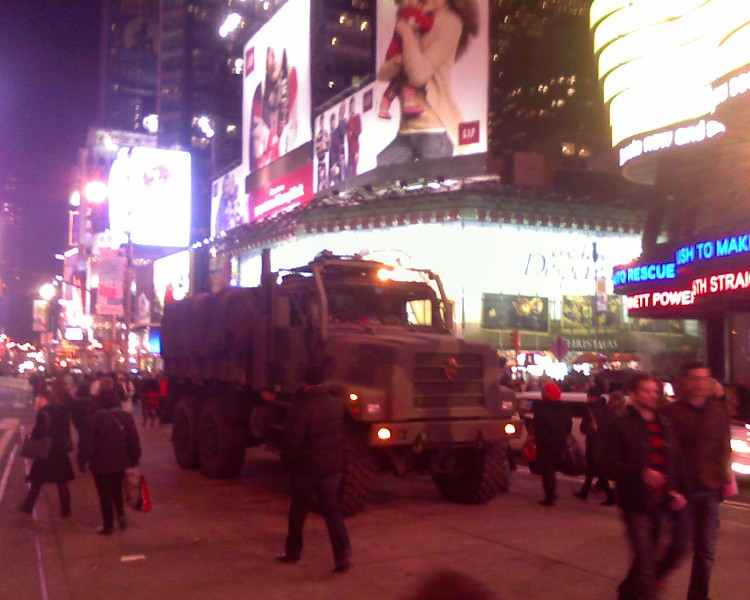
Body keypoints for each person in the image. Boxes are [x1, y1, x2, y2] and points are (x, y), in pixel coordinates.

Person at [601, 372, 686, 600]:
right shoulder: (620, 424)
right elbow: (608, 464)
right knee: (646, 563)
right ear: (632, 394)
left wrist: (676, 490)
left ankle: (627, 592)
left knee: (646, 559)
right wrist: (641, 474)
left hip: (661, 502)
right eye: (646, 391)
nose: (652, 395)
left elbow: (674, 461)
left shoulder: (664, 423)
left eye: (654, 391)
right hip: (635, 503)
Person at [660, 360, 731, 600]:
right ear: (686, 382)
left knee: (706, 550)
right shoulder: (672, 413)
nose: (701, 383)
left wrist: (722, 477)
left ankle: (698, 596)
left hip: (710, 490)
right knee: (679, 547)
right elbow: (667, 454)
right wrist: (671, 488)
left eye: (705, 379)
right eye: (696, 378)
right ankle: (653, 577)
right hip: (684, 492)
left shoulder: (718, 410)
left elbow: (724, 446)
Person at [376, 0, 479, 166]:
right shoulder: (414, 16)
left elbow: (418, 75)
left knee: (434, 187)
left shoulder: (450, 22)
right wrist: (398, 60)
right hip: (406, 131)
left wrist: (405, 32)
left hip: (434, 128)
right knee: (383, 169)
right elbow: (382, 73)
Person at [277, 365, 352, 573]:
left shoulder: (302, 406)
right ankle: (343, 554)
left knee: (298, 510)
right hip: (332, 467)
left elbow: (292, 441)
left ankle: (293, 553)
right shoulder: (337, 402)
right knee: (333, 511)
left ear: (304, 383)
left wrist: (287, 462)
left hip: (306, 468)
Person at [84, 377, 141, 535]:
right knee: (117, 490)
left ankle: (108, 525)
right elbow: (133, 440)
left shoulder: (95, 419)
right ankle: (121, 517)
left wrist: (87, 460)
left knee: (104, 494)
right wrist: (135, 458)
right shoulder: (126, 417)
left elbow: (89, 444)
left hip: (100, 464)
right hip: (120, 461)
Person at [20, 387, 75, 517]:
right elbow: (66, 431)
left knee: (37, 480)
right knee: (62, 481)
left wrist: (32, 434)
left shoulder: (44, 412)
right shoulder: (62, 411)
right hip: (60, 450)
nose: (37, 401)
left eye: (39, 399)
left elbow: (39, 432)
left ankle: (28, 506)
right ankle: (66, 510)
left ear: (45, 399)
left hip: (46, 449)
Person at [378, 0, 435, 120]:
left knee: (395, 83)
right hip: (400, 54)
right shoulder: (409, 12)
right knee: (408, 79)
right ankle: (409, 103)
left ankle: (384, 107)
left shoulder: (404, 13)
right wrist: (430, 16)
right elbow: (426, 24)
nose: (419, 3)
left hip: (396, 53)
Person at [532, 381, 572, 506]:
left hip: (546, 444)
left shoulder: (542, 410)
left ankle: (549, 496)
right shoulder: (564, 410)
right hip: (560, 443)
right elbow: (568, 428)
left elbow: (537, 427)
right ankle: (552, 493)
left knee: (547, 471)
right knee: (552, 469)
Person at [574, 384, 615, 505]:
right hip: (604, 443)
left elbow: (583, 428)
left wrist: (588, 429)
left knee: (598, 469)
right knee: (592, 468)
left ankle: (610, 495)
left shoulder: (590, 410)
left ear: (592, 397)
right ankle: (584, 491)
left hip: (593, 442)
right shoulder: (607, 409)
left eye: (588, 396)